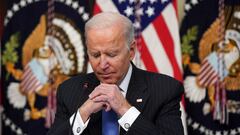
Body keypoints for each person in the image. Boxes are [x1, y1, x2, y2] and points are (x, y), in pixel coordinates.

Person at [47, 12, 184, 135]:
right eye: (95, 55)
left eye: (111, 54)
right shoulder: (69, 91)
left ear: (131, 51)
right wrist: (83, 113)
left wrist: (124, 109)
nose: (102, 65)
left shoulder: (165, 90)